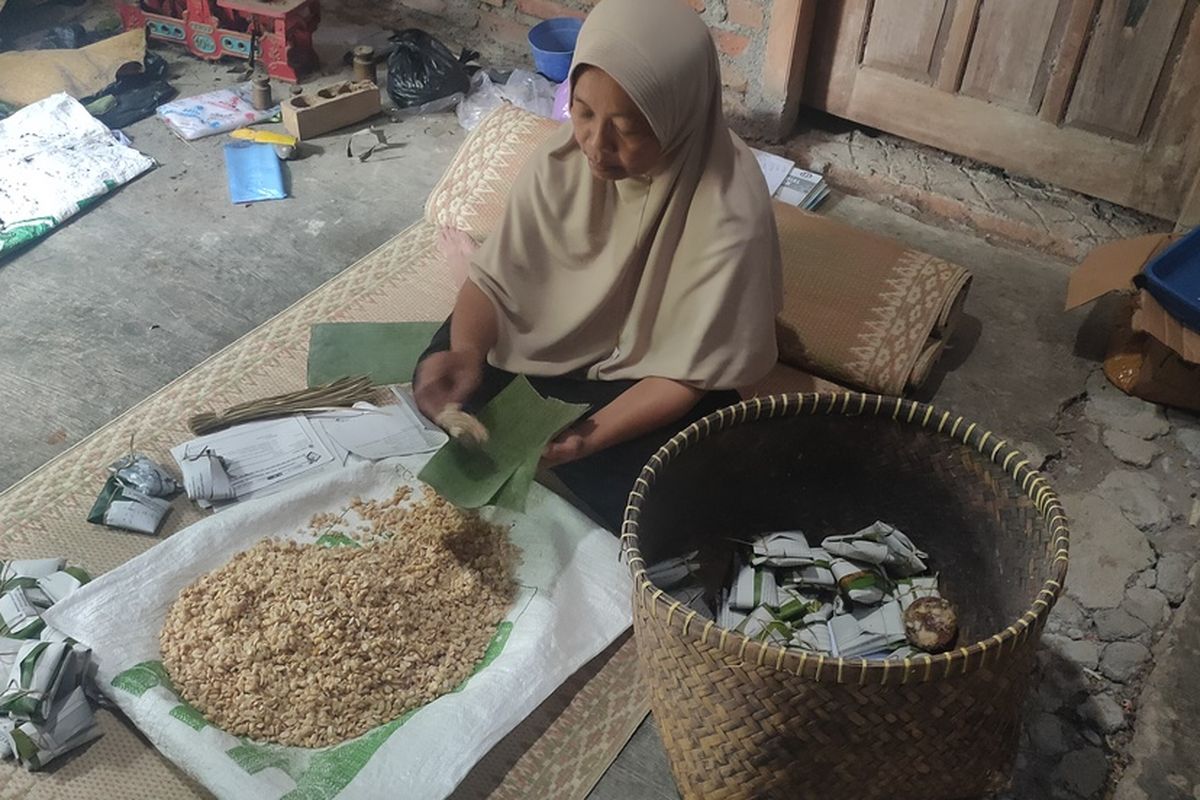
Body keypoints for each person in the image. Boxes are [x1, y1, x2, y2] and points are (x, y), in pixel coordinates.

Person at [414, 0, 782, 530]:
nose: (594, 144)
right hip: (547, 345)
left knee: (674, 499)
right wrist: (467, 354)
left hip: (647, 374)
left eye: (627, 129)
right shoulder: (562, 161)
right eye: (583, 112)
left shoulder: (728, 210)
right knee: (446, 373)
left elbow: (687, 373)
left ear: (678, 118)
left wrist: (585, 440)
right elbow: (496, 283)